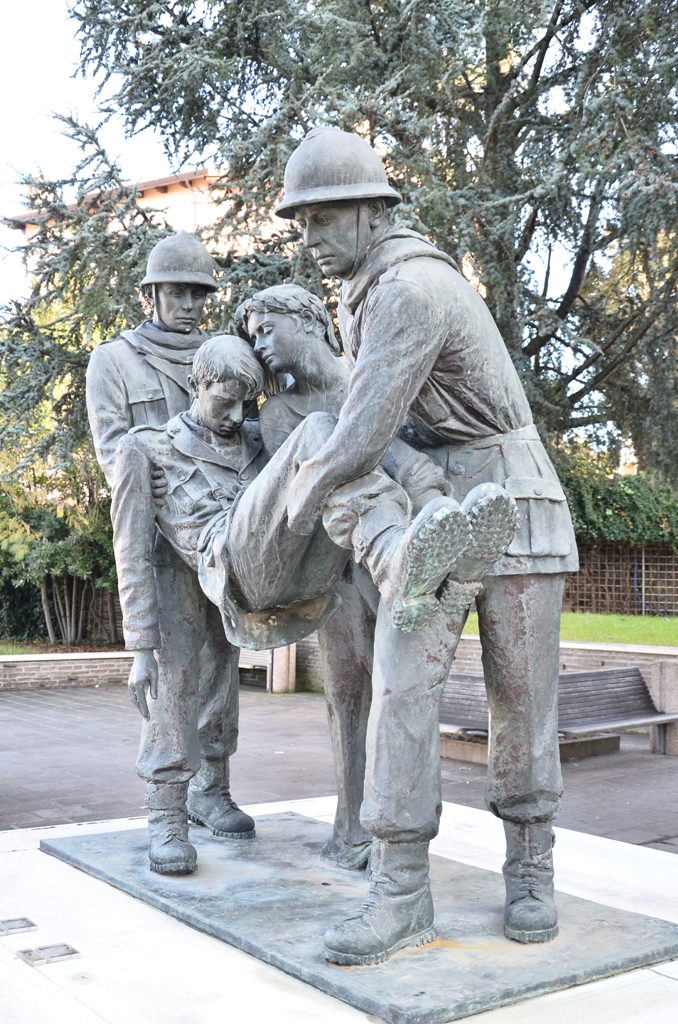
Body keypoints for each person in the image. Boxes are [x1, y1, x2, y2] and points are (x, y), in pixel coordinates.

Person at [273, 127, 579, 963]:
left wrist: (286, 512)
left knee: (521, 700)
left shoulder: (410, 289)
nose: (310, 239)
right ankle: (400, 890)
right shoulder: (365, 291)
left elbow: (361, 431)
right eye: (301, 223)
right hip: (431, 511)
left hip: (513, 502)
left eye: (324, 218)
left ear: (373, 211)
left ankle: (531, 873)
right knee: (403, 689)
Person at [110, 333, 502, 874]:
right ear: (197, 384)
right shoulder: (146, 447)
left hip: (292, 572)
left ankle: (422, 563)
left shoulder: (256, 437)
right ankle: (168, 817)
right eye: (225, 399)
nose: (234, 415)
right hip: (227, 561)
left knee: (327, 433)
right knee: (318, 431)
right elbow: (129, 550)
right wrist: (139, 648)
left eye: (244, 402)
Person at [236, 283, 459, 870]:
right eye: (251, 338)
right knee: (346, 695)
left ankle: (400, 834)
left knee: (399, 690)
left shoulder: (371, 372)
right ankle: (348, 825)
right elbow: (314, 486)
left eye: (265, 330)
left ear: (306, 318)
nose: (259, 347)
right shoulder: (282, 412)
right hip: (336, 568)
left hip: (402, 549)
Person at [86, 232, 255, 876]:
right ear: (152, 293)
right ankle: (166, 811)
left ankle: (214, 790)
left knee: (223, 669)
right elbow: (115, 459)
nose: (189, 303)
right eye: (178, 291)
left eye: (199, 293)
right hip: (163, 543)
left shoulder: (223, 359)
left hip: (226, 545)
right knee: (175, 676)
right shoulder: (115, 361)